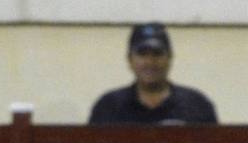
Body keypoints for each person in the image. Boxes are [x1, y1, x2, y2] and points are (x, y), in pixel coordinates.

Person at [89, 23, 218, 125]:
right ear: (129, 59)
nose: (150, 62)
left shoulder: (196, 105)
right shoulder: (108, 107)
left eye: (157, 54)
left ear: (169, 58)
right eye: (142, 54)